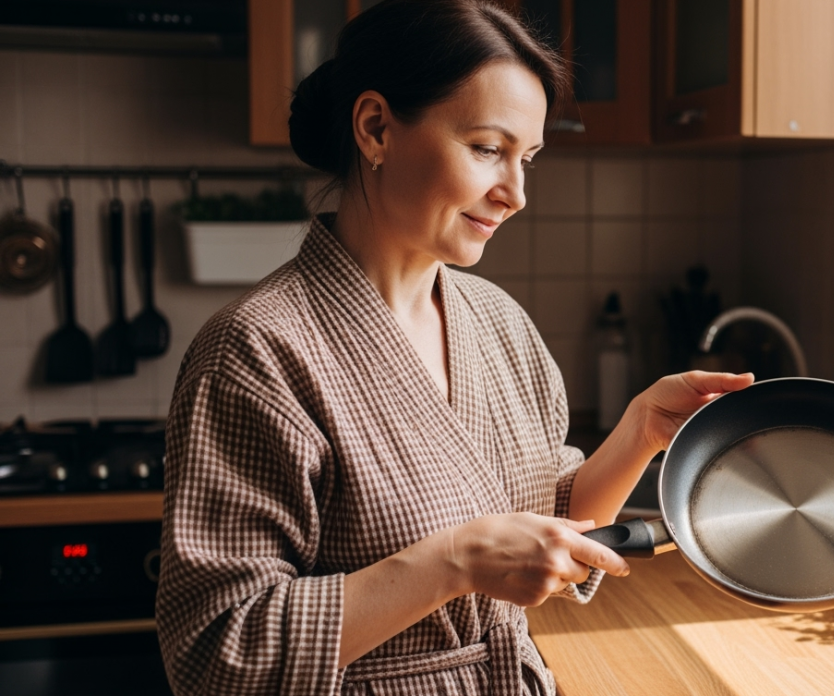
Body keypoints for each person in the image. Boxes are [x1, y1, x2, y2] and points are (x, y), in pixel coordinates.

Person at [155, 1, 753, 694]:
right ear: (376, 128)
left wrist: (640, 431)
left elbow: (543, 531)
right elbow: (214, 651)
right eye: (487, 149)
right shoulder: (257, 350)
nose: (516, 194)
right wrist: (452, 564)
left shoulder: (499, 322)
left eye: (527, 158)